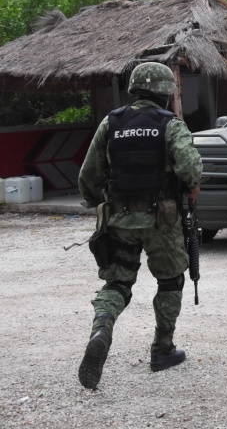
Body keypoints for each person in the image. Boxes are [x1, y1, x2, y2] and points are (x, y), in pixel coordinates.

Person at [77, 62, 202, 389]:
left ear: (134, 89)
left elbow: (87, 177)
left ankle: (102, 329)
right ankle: (163, 349)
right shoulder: (170, 125)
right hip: (162, 219)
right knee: (170, 280)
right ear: (164, 93)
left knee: (117, 282)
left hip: (119, 218)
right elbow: (191, 168)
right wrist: (191, 186)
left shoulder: (111, 123)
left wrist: (97, 203)